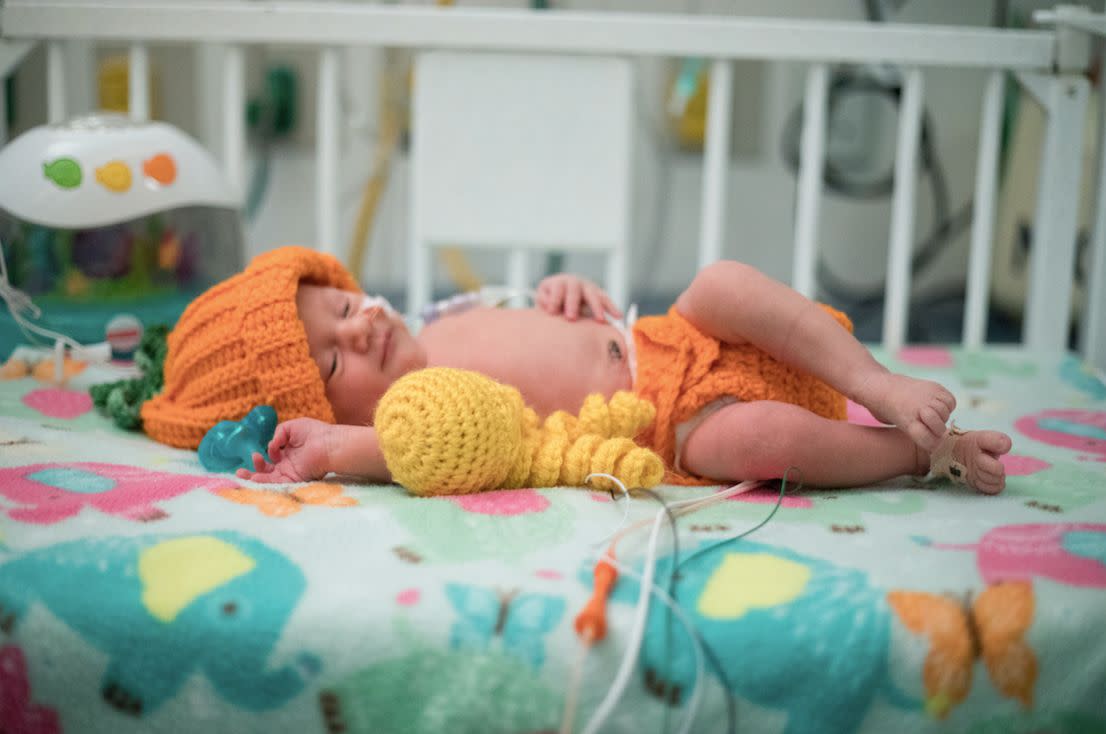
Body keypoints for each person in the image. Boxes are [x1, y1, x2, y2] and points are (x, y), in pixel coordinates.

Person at [138, 246, 1010, 493]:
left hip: (661, 339)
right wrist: (334, 449)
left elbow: (545, 314)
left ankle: (878, 384)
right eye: (332, 357)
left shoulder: (437, 317)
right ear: (314, 410)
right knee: (764, 440)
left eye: (342, 306)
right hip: (674, 426)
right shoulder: (401, 419)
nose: (361, 327)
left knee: (720, 282)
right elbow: (410, 453)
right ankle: (916, 452)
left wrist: (567, 291)